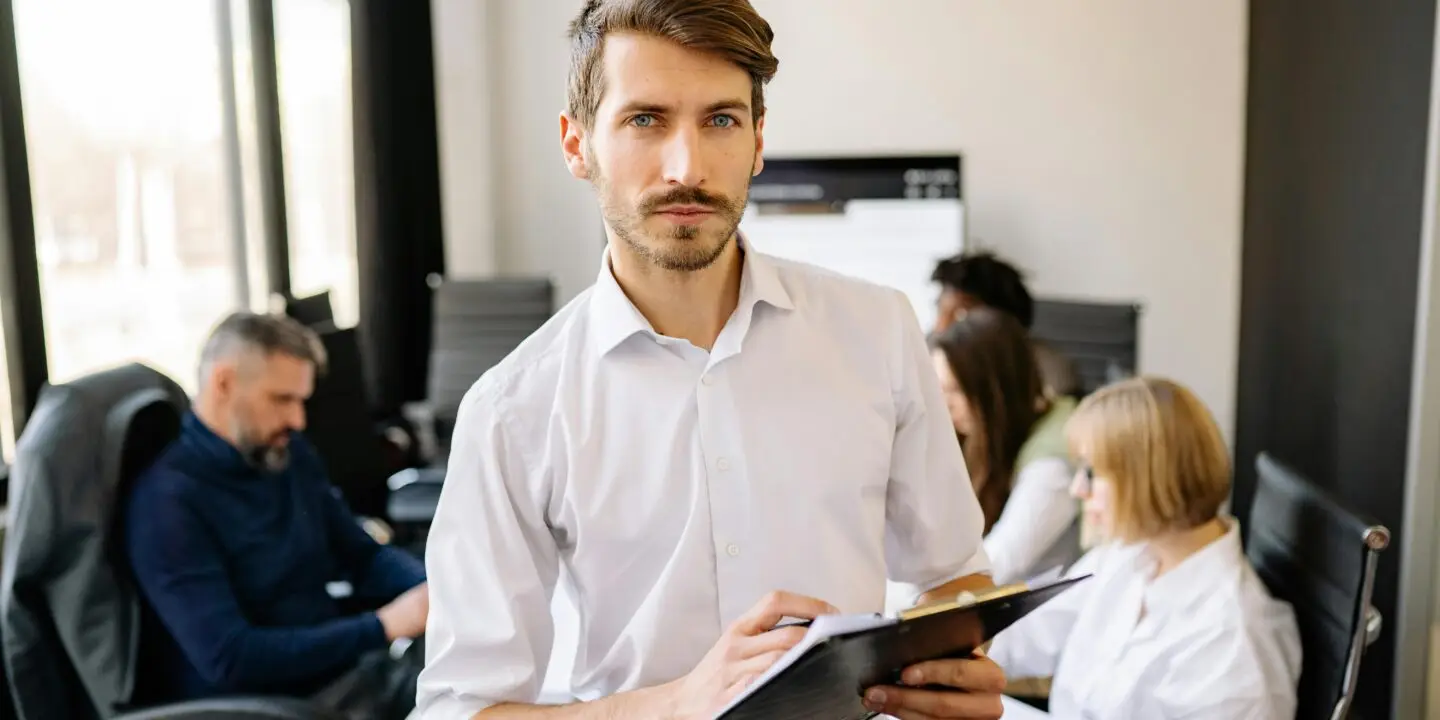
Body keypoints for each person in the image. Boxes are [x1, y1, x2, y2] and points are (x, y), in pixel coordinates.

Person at [416, 1, 1007, 718]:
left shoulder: (878, 330)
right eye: (645, 120)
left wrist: (953, 673)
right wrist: (678, 705)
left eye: (720, 120)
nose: (687, 167)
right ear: (578, 145)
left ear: (758, 140)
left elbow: (955, 579)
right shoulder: (513, 410)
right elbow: (459, 708)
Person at [125, 312, 429, 719]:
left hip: (345, 676)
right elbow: (231, 657)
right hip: (274, 707)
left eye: (301, 401)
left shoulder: (285, 455)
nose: (297, 420)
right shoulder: (168, 503)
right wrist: (383, 626)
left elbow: (360, 555)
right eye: (282, 399)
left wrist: (435, 593)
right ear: (223, 383)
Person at [987, 377, 1302, 718]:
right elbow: (1033, 630)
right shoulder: (1129, 552)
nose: (1078, 489)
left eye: (1091, 473)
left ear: (1144, 480)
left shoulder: (1229, 647)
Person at [931, 308, 1081, 585]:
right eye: (939, 390)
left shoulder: (1053, 460)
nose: (945, 405)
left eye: (955, 390)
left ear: (995, 390)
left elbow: (998, 564)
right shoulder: (991, 433)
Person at [931, 251, 1079, 398]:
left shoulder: (1050, 375)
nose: (941, 329)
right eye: (940, 311)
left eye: (961, 315)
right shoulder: (931, 356)